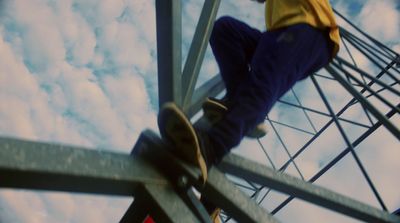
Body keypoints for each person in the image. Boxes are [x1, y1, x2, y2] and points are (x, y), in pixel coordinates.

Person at [158, 0, 340, 221]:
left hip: (309, 28)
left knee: (262, 85)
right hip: (278, 32)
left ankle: (212, 147)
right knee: (225, 30)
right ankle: (239, 104)